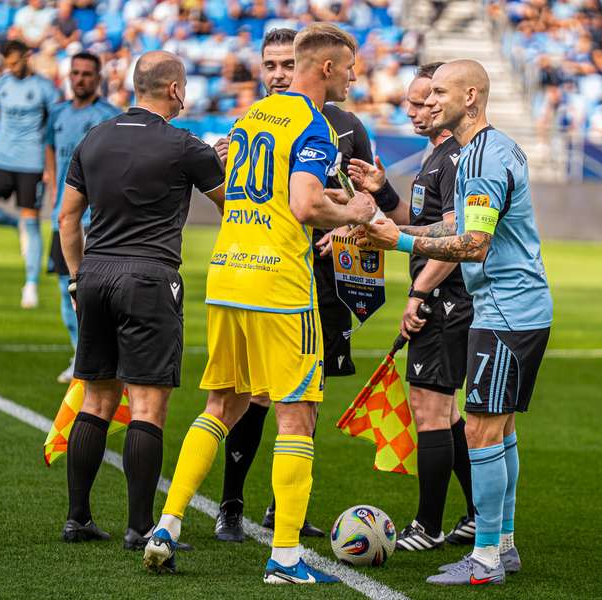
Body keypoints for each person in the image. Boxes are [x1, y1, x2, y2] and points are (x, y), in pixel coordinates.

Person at [144, 24, 377, 584]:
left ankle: (167, 525)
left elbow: (264, 189)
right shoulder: (314, 124)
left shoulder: (250, 117)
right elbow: (302, 204)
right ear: (324, 68)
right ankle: (287, 558)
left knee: (222, 404)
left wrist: (338, 198)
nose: (352, 77)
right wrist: (357, 213)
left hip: (227, 276)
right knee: (298, 415)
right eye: (347, 68)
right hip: (279, 285)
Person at [359, 60, 553, 586]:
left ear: (471, 96)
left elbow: (473, 243)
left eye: (440, 91)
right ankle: (502, 544)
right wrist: (383, 220)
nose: (431, 98)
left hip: (507, 312)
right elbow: (459, 221)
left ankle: (486, 557)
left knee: (482, 432)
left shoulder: (484, 158)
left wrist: (396, 240)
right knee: (501, 431)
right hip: (514, 308)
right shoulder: (489, 149)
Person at [210, 27, 405, 544]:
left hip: (324, 279)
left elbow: (365, 197)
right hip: (270, 273)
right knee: (252, 395)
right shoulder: (252, 124)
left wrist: (347, 222)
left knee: (305, 398)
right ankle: (230, 504)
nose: (276, 73)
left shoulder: (345, 126)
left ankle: (283, 511)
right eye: (268, 65)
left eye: (282, 64)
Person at [57, 51, 226, 555]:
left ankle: (77, 517)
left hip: (94, 276)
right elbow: (233, 207)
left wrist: (75, 279)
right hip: (150, 277)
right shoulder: (185, 146)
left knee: (97, 399)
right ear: (175, 89)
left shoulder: (94, 136)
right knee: (147, 405)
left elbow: (68, 219)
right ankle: (139, 527)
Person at [347, 62, 478, 551]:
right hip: (443, 297)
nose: (416, 110)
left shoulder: (456, 158)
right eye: (412, 101)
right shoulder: (435, 157)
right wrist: (382, 192)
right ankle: (475, 514)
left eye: (426, 100)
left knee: (430, 409)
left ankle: (427, 525)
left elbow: (453, 235)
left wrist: (420, 293)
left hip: (445, 298)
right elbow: (415, 221)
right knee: (443, 411)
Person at [45, 52, 118, 384]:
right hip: (64, 217)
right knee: (66, 288)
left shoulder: (109, 117)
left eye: (87, 74)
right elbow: (49, 148)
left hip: (97, 219)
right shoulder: (57, 113)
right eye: (75, 73)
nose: (80, 79)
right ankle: (79, 354)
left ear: (98, 78)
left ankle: (102, 354)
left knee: (99, 291)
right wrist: (51, 183)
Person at [0, 40, 59, 309]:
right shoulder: (0, 86)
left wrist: (49, 168)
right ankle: (14, 225)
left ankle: (30, 284)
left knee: (31, 222)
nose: (11, 67)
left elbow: (53, 131)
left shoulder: (45, 89)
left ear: (27, 57)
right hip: (1, 159)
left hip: (31, 164)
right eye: (7, 63)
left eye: (15, 62)